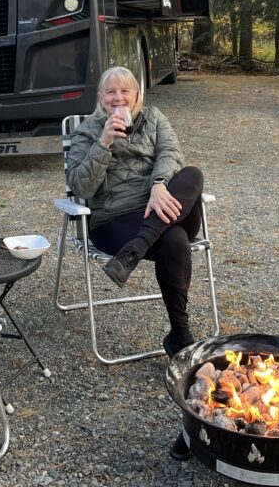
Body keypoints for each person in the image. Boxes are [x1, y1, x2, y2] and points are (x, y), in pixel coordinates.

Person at [66, 66, 205, 357]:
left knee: (192, 174)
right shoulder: (86, 132)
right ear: (101, 98)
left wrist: (159, 184)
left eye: (124, 91)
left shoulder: (153, 117)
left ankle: (135, 250)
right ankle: (180, 334)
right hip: (114, 221)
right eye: (110, 92)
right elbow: (81, 187)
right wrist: (103, 143)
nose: (118, 98)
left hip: (160, 204)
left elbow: (171, 153)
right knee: (174, 238)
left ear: (136, 95)